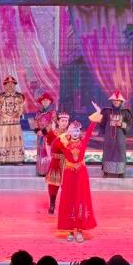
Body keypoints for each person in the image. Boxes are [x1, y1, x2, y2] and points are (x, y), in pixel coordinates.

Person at [55, 103, 103, 242]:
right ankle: (70, 230)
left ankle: (80, 230)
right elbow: (54, 146)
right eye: (73, 130)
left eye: (77, 131)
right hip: (69, 174)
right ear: (69, 131)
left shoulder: (83, 141)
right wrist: (64, 134)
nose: (75, 133)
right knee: (69, 199)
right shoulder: (64, 142)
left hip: (81, 174)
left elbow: (91, 128)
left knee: (81, 199)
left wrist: (98, 112)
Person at [99, 90, 132, 178]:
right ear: (112, 101)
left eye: (118, 101)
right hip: (109, 137)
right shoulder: (106, 111)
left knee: (120, 153)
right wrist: (104, 132)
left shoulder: (125, 112)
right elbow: (102, 123)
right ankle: (106, 171)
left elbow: (130, 123)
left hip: (120, 137)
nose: (116, 102)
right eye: (114, 100)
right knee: (108, 153)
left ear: (121, 101)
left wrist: (122, 124)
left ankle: (121, 172)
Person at [44, 112, 70, 215]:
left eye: (66, 121)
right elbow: (47, 143)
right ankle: (52, 205)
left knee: (67, 185)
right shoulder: (53, 133)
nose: (64, 123)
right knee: (53, 185)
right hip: (56, 161)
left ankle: (67, 206)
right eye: (62, 121)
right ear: (58, 122)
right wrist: (49, 155)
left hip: (67, 162)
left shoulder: (70, 134)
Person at [0, 75, 25, 164]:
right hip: (4, 122)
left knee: (16, 140)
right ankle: (2, 159)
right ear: (4, 85)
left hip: (15, 122)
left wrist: (16, 115)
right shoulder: (0, 96)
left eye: (12, 84)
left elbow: (21, 109)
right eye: (8, 84)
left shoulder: (19, 96)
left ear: (15, 85)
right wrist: (6, 116)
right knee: (4, 140)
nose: (10, 86)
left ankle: (17, 159)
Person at [33, 93, 56, 176]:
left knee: (48, 152)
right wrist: (37, 130)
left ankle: (48, 171)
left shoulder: (52, 112)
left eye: (47, 100)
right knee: (40, 152)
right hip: (40, 136)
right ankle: (41, 171)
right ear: (41, 102)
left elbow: (53, 123)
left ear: (50, 102)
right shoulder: (38, 112)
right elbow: (35, 122)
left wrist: (44, 131)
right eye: (43, 101)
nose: (45, 102)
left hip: (48, 136)